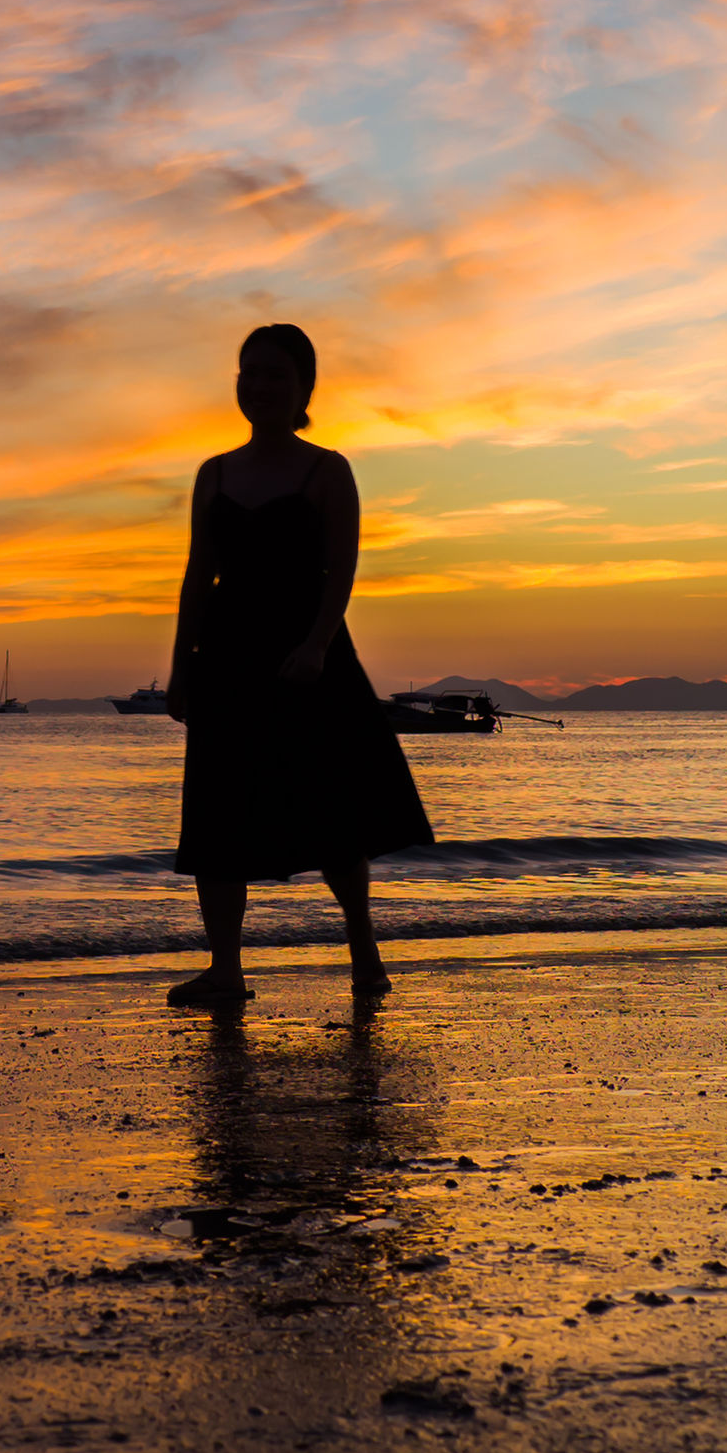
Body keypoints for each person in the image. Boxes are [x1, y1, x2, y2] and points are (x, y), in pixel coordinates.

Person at [162, 323, 432, 1007]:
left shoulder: (326, 470)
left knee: (332, 812)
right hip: (227, 656)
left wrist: (315, 644)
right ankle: (226, 969)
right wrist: (181, 664)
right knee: (219, 817)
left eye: (276, 374)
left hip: (305, 655)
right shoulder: (215, 473)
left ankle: (364, 949)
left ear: (304, 386)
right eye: (248, 373)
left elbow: (341, 570)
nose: (259, 386)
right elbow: (199, 574)